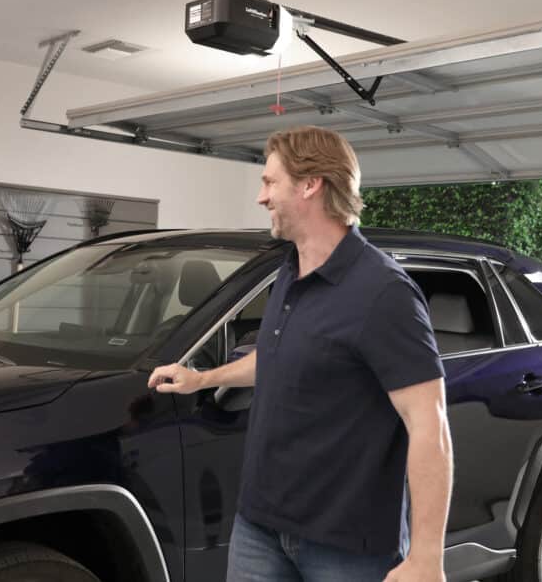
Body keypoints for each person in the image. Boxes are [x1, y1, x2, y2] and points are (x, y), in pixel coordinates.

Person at [148, 126, 453, 582]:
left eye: (270, 182)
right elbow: (280, 356)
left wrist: (427, 558)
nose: (261, 197)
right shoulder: (290, 272)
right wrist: (203, 379)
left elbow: (430, 425)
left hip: (345, 544)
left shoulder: (384, 292)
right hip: (259, 526)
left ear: (311, 184)